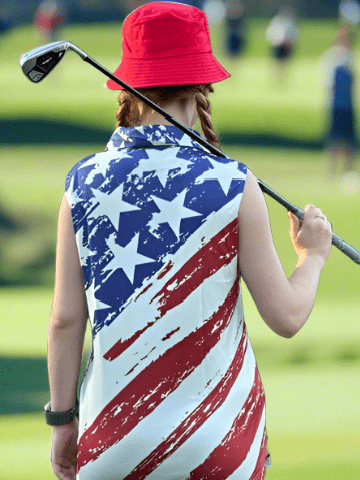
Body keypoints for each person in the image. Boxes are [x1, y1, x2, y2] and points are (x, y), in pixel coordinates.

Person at [46, 3, 333, 480]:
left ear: (127, 84)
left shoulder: (83, 181)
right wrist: (313, 256)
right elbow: (286, 316)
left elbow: (64, 321)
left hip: (112, 444)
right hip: (222, 443)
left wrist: (62, 422)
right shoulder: (234, 183)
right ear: (203, 82)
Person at [322, 29, 357, 177]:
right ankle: (333, 171)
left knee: (349, 139)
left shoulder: (349, 59)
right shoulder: (333, 59)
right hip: (336, 105)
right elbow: (329, 84)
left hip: (348, 105)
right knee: (335, 139)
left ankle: (349, 170)